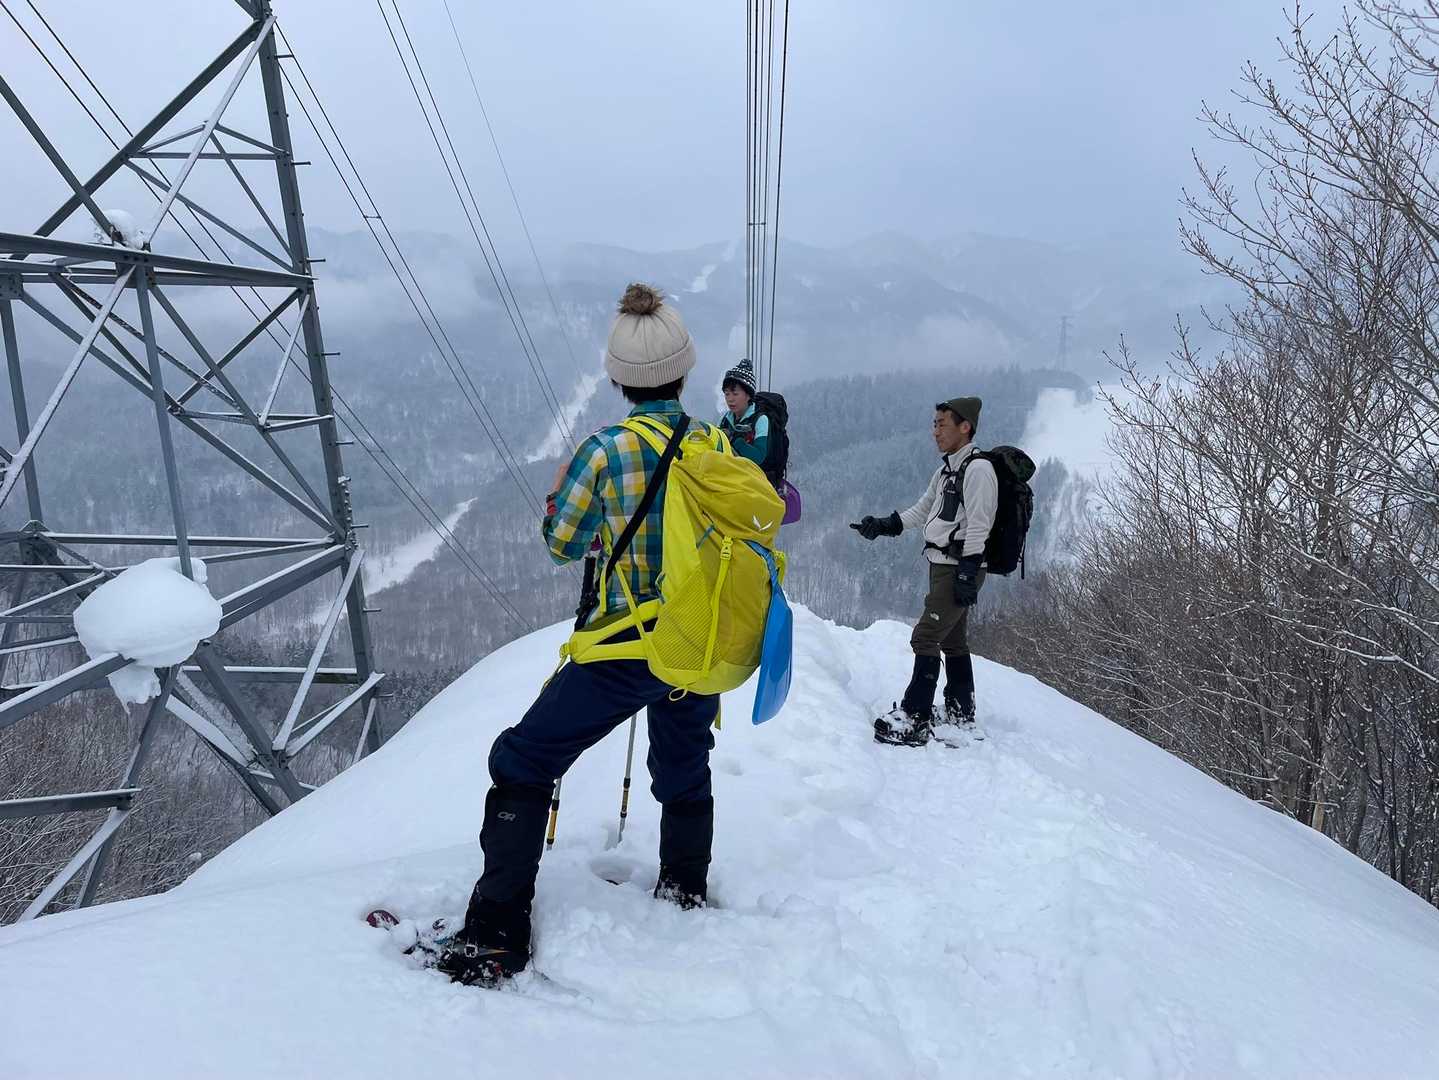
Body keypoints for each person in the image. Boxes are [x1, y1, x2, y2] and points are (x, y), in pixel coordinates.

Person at [438, 283, 721, 987]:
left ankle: (496, 929)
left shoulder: (605, 451)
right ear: (684, 369)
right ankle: (684, 887)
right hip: (695, 643)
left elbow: (562, 543)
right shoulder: (713, 442)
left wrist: (569, 505)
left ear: (618, 377)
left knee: (524, 760)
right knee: (684, 767)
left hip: (624, 645)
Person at [850, 397, 997, 746]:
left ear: (965, 427)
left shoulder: (978, 470)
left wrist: (968, 571)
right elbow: (922, 510)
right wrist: (884, 525)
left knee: (925, 637)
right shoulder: (946, 471)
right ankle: (961, 709)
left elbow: (981, 524)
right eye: (934, 424)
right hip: (943, 564)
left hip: (959, 567)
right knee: (952, 640)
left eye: (942, 424)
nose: (935, 431)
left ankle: (915, 718)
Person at [717, 358, 771, 471]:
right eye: (727, 394)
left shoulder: (760, 419)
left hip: (753, 477)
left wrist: (735, 441)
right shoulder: (725, 419)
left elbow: (759, 456)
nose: (730, 399)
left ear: (748, 395)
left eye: (735, 394)